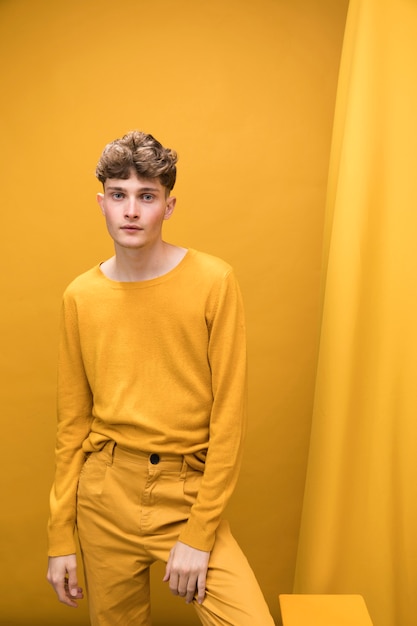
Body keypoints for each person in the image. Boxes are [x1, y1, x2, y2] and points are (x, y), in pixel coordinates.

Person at [46, 130, 275, 626]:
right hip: (105, 492)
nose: (131, 210)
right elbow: (71, 426)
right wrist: (60, 534)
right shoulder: (80, 297)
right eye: (119, 195)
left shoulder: (214, 282)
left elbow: (229, 418)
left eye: (147, 196)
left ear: (168, 206)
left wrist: (198, 532)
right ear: (101, 201)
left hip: (185, 490)